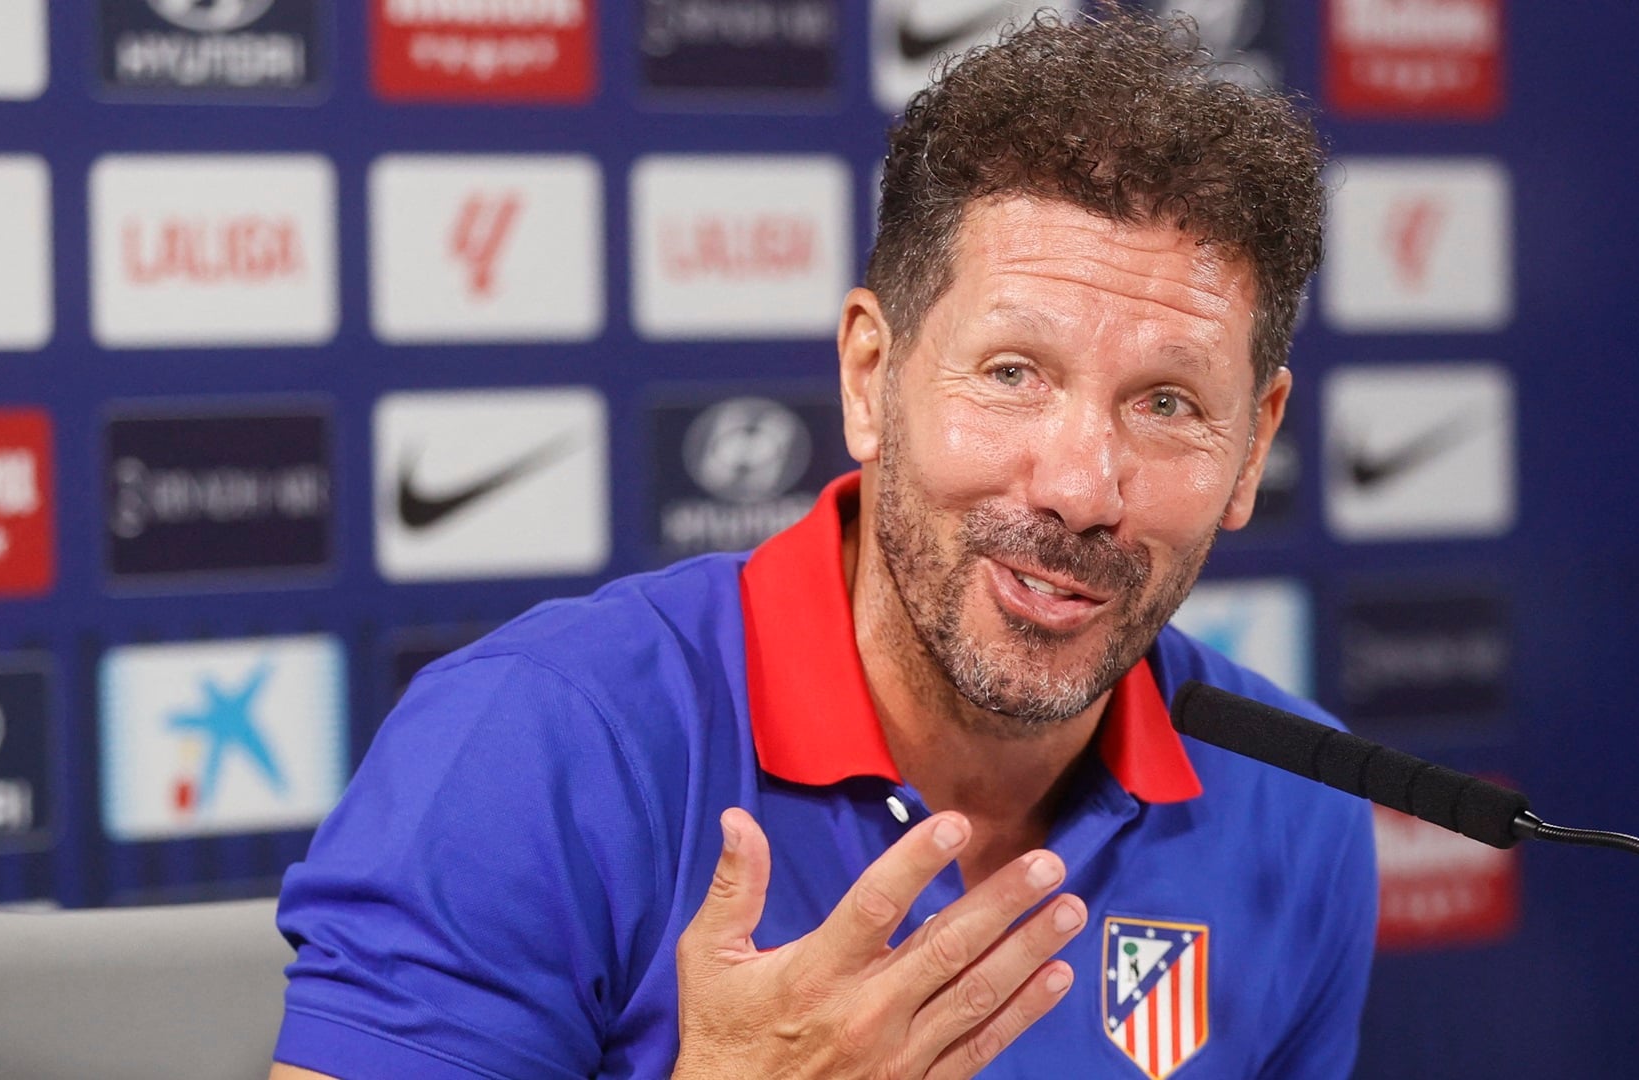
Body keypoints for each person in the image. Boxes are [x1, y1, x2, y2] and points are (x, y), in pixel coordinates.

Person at [270, 11, 1375, 1079]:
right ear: (868, 376)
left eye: (1168, 404)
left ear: (1252, 447)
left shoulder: (1295, 805)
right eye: (1011, 375)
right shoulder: (540, 742)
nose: (1082, 491)